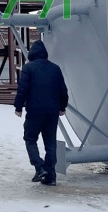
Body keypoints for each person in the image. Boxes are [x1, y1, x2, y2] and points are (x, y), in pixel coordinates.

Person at [14, 40, 69, 186]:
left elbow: (22, 89)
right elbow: (63, 90)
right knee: (50, 144)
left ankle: (39, 167)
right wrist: (63, 106)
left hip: (35, 111)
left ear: (32, 53)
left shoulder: (29, 68)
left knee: (30, 139)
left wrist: (18, 107)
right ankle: (51, 177)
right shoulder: (55, 68)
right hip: (52, 112)